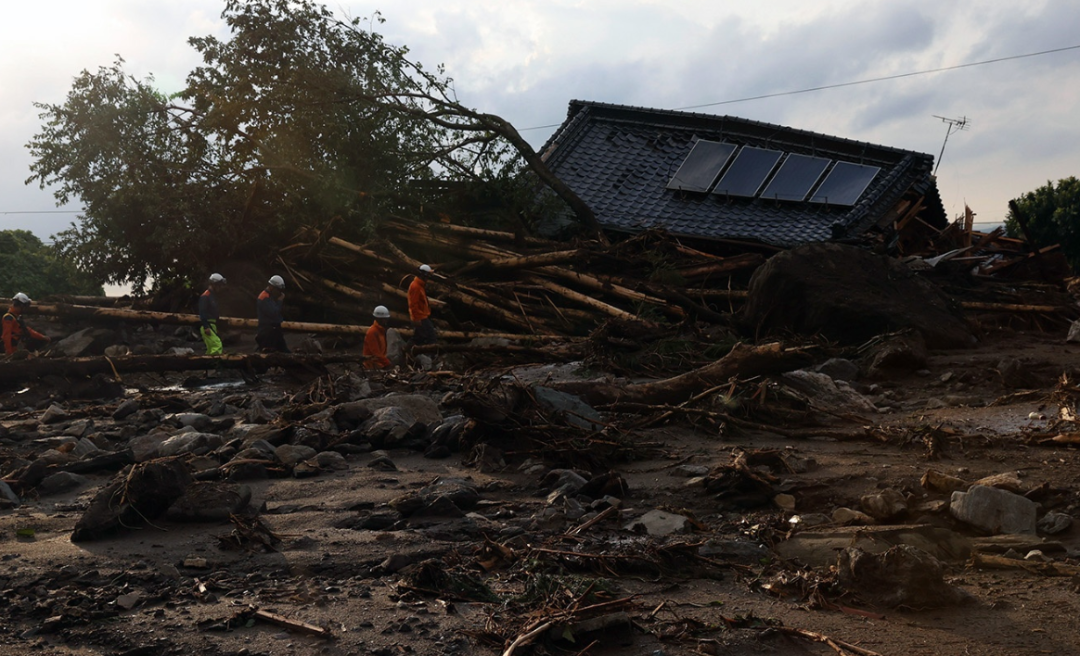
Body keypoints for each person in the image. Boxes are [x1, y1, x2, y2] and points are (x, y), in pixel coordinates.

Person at [256, 275, 290, 353]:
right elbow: (273, 312)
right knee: (269, 354)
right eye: (279, 290)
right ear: (272, 287)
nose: (280, 293)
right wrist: (280, 301)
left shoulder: (270, 296)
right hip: (267, 332)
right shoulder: (264, 297)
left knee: (285, 352)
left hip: (274, 331)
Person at [408, 264, 437, 346]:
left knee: (419, 337)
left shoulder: (420, 285)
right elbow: (413, 304)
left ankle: (407, 350)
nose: (428, 278)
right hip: (420, 317)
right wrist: (417, 319)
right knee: (431, 337)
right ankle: (430, 355)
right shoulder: (416, 286)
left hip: (422, 316)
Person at [198, 273, 226, 355]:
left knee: (211, 349)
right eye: (219, 285)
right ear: (215, 284)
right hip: (208, 325)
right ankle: (215, 365)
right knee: (217, 346)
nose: (220, 288)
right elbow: (202, 311)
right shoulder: (205, 296)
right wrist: (206, 326)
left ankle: (207, 365)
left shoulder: (213, 296)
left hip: (212, 325)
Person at [363, 305, 392, 369]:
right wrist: (387, 363)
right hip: (372, 364)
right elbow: (375, 353)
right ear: (379, 319)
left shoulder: (381, 330)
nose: (386, 321)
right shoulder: (372, 332)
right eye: (385, 319)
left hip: (381, 362)